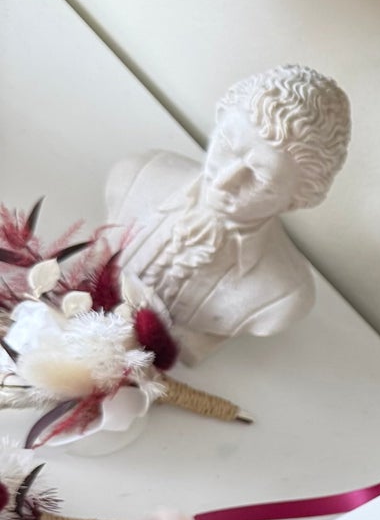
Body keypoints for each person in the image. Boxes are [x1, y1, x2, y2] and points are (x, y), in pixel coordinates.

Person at [105, 65, 350, 363]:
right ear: (220, 120)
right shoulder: (137, 174)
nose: (224, 181)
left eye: (260, 178)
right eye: (226, 145)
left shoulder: (283, 297)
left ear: (298, 199)